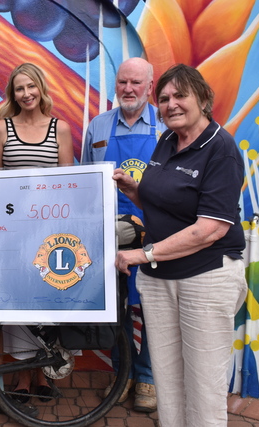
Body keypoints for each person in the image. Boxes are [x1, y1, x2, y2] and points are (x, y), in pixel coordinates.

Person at [113, 63, 248, 426]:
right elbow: (166, 204)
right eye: (164, 98)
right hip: (161, 280)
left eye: (180, 95)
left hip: (205, 278)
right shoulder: (167, 141)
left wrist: (143, 254)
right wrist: (135, 191)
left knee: (203, 388)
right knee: (168, 383)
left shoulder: (220, 149)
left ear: (203, 98)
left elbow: (209, 229)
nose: (171, 104)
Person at [82, 57, 166, 412]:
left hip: (156, 233)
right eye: (122, 82)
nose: (128, 89)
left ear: (149, 87)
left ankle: (147, 377)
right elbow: (86, 182)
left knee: (151, 307)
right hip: (109, 234)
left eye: (136, 83)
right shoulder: (98, 126)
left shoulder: (166, 126)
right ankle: (123, 374)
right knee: (115, 308)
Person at [0, 62, 73, 402]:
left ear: (41, 88)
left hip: (48, 231)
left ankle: (42, 373)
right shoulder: (2, 128)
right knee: (16, 305)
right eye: (19, 88)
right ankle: (22, 377)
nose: (26, 94)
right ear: (12, 94)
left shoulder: (60, 129)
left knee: (44, 304)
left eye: (31, 86)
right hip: (12, 231)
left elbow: (67, 184)